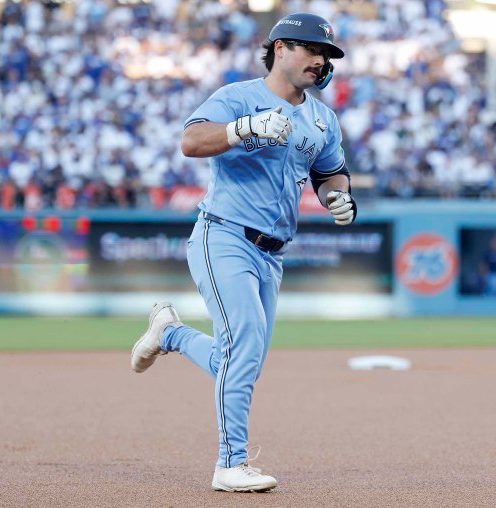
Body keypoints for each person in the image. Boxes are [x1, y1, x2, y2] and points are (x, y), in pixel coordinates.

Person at [129, 13, 355, 493]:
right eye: (312, 50)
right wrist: (243, 128)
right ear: (280, 48)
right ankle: (230, 463)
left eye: (326, 54)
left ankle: (170, 334)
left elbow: (331, 171)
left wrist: (338, 194)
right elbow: (191, 141)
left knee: (239, 358)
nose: (320, 61)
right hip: (224, 235)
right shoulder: (237, 96)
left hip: (273, 254)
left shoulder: (321, 118)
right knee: (245, 343)